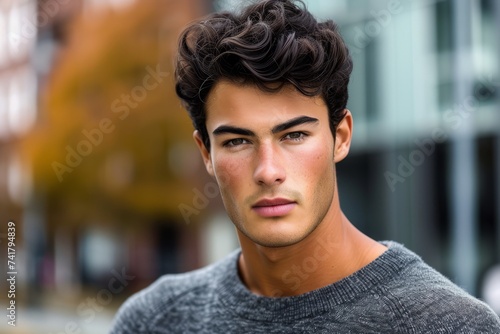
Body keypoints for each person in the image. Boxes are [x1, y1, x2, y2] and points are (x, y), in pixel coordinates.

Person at [110, 0, 500, 332]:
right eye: (238, 141)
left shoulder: (446, 324)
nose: (268, 170)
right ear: (206, 154)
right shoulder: (156, 320)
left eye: (294, 135)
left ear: (341, 136)